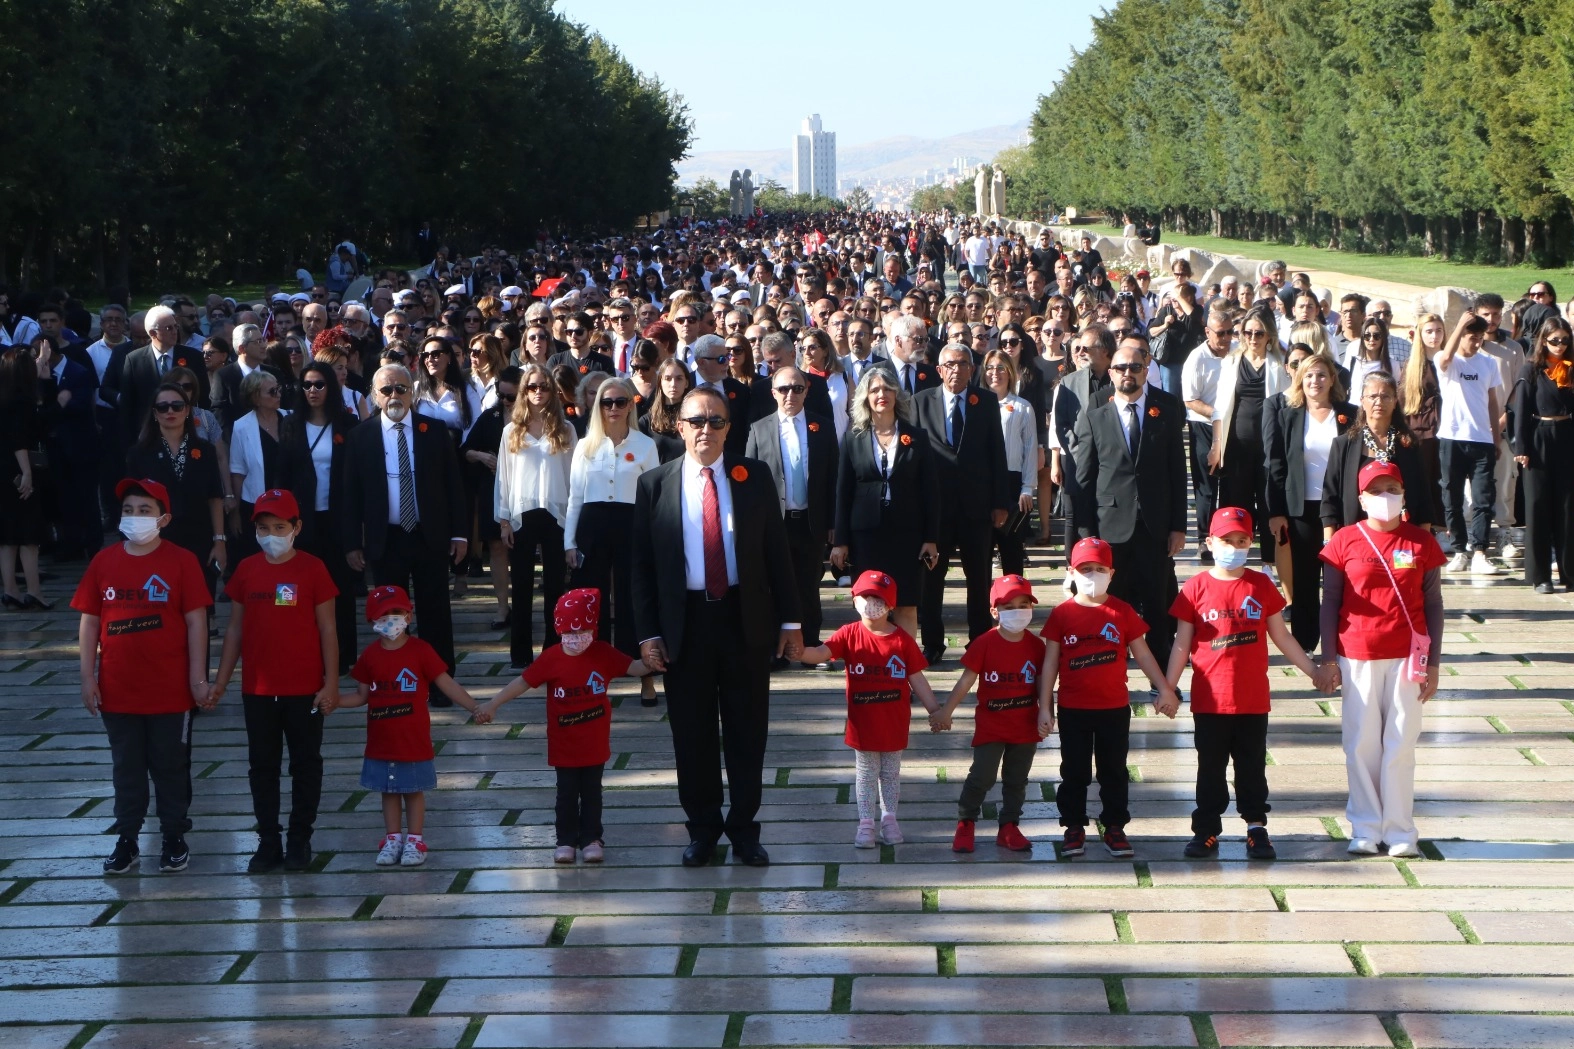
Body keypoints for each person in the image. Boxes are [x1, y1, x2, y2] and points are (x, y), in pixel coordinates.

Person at [629, 387, 803, 868]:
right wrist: (647, 634)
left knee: (749, 732)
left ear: (730, 428)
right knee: (692, 734)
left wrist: (791, 621)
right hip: (684, 625)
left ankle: (745, 830)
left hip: (745, 620)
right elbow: (640, 567)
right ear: (678, 425)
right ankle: (702, 829)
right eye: (697, 420)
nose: (707, 429)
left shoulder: (754, 477)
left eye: (717, 421)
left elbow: (776, 553)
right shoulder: (654, 484)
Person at [1167, 507, 1323, 861]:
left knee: (1252, 767)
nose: (1233, 547)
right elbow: (1181, 643)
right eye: (1226, 540)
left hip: (1252, 700)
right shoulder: (1195, 588)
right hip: (1210, 701)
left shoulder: (1260, 585)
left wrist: (1312, 670)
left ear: (1251, 543)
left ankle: (1256, 827)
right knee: (1210, 768)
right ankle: (1206, 829)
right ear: (1210, 542)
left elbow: (1282, 636)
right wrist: (1168, 687)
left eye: (1241, 540)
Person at [73, 478, 213, 875]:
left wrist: (198, 679)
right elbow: (89, 622)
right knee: (126, 768)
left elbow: (196, 621)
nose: (136, 517)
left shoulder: (181, 561)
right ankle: (128, 838)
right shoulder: (104, 561)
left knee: (171, 766)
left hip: (170, 693)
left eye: (145, 510)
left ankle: (173, 836)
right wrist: (87, 676)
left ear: (163, 518)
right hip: (118, 692)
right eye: (129, 510)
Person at [1319, 462, 1446, 858]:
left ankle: (1400, 830)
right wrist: (1327, 659)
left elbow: (1434, 604)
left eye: (1392, 488)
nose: (1385, 496)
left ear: (1404, 494)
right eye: (1376, 490)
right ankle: (1365, 826)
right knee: (1360, 744)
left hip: (1409, 658)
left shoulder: (1421, 543)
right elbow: (1330, 603)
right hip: (1356, 654)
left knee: (1401, 742)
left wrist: (1436, 664)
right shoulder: (1344, 541)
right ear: (1361, 498)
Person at [210, 488, 338, 872]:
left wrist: (330, 683)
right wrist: (220, 682)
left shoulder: (313, 568)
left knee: (305, 764)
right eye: (264, 527)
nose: (271, 534)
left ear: (296, 527)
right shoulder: (247, 569)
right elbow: (234, 630)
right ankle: (268, 840)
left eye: (279, 526)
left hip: (304, 689)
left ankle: (300, 839)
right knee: (262, 766)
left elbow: (327, 629)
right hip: (259, 690)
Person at [480, 588, 654, 864]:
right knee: (567, 793)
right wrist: (493, 703)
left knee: (593, 792)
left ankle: (592, 838)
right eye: (570, 633)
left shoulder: (602, 653)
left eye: (583, 630)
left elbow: (632, 668)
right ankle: (565, 840)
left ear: (593, 628)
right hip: (564, 745)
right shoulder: (551, 658)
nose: (576, 638)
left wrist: (651, 662)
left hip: (595, 743)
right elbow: (522, 682)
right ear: (559, 629)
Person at [1038, 537, 1180, 858]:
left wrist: (1164, 687)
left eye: (1099, 569)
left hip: (1114, 709)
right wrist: (1044, 707)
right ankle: (1074, 826)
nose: (1092, 575)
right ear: (1071, 572)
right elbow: (1049, 664)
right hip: (1073, 709)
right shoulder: (1062, 615)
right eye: (1085, 568)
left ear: (1111, 573)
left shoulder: (1122, 612)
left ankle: (1114, 826)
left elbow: (1142, 654)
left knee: (1114, 770)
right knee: (1074, 771)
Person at [338, 365, 468, 705]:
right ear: (374, 395)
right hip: (386, 539)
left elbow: (454, 487)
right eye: (386, 390)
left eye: (401, 388)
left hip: (430, 536)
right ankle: (398, 682)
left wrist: (460, 534)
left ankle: (440, 685)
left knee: (435, 611)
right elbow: (348, 496)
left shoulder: (435, 431)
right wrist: (352, 543)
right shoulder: (360, 436)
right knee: (391, 616)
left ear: (412, 392)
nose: (394, 396)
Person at [334, 584, 486, 867]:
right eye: (383, 614)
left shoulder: (421, 651)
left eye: (397, 612)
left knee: (414, 791)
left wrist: (474, 707)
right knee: (389, 792)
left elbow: (445, 682)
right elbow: (361, 696)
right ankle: (392, 838)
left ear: (409, 615)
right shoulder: (369, 656)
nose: (391, 619)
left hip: (413, 740)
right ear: (372, 621)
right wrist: (333, 701)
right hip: (381, 742)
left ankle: (415, 839)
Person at [798, 570, 940, 848]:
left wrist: (935, 709)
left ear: (890, 605)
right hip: (862, 724)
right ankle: (865, 823)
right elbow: (820, 653)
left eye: (878, 598)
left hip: (894, 723)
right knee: (865, 773)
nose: (870, 603)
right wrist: (799, 650)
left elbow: (917, 679)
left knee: (890, 773)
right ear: (854, 600)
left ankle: (889, 819)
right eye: (865, 596)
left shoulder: (902, 640)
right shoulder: (848, 634)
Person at [1071, 337, 1188, 670]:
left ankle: (1162, 678)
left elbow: (1177, 474)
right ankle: (1111, 669)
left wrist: (1178, 526)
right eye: (1121, 368)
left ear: (1146, 369)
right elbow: (1083, 481)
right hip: (1110, 528)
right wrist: (1086, 535)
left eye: (1135, 367)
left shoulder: (1164, 414)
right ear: (1111, 372)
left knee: (1157, 604)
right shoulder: (1095, 417)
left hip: (1154, 526)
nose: (1127, 374)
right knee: (1112, 604)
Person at [932, 574, 1048, 854]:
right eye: (1008, 607)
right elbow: (965, 681)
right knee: (982, 775)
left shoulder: (1036, 646)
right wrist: (945, 711)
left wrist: (1047, 713)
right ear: (994, 612)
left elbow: (1045, 685)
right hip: (991, 726)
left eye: (1023, 605)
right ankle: (966, 822)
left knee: (1017, 779)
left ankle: (1009, 826)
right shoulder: (984, 643)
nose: (1017, 612)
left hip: (1025, 726)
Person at [913, 345, 1012, 661]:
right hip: (934, 508)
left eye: (963, 364)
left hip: (975, 507)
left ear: (972, 369)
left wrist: (1000, 502)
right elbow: (913, 457)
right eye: (950, 364)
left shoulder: (984, 402)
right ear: (939, 370)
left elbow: (997, 452)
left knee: (979, 576)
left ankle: (979, 641)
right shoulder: (919, 402)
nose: (957, 369)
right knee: (931, 579)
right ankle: (932, 643)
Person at [829, 367, 941, 639]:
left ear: (896, 394)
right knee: (870, 604)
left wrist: (931, 538)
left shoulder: (917, 437)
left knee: (905, 604)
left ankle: (906, 670)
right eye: (875, 390)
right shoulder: (853, 438)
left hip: (908, 535)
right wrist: (840, 541)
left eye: (888, 389)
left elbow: (930, 491)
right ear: (866, 397)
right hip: (865, 536)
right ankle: (872, 667)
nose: (882, 395)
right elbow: (842, 491)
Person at [565, 377, 660, 692]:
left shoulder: (645, 445)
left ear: (631, 404)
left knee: (633, 598)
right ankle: (596, 672)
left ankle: (644, 673)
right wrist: (569, 541)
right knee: (593, 598)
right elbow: (575, 497)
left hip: (631, 522)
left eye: (621, 401)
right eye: (607, 402)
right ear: (597, 407)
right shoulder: (585, 445)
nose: (614, 408)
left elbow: (653, 498)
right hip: (592, 524)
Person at [745, 365, 838, 662]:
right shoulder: (759, 429)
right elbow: (749, 482)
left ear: (807, 390)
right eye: (784, 389)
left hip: (811, 522)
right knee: (772, 584)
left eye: (797, 388)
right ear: (773, 393)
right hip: (774, 524)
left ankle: (809, 646)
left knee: (809, 585)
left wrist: (834, 523)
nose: (790, 395)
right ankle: (775, 648)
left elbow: (833, 477)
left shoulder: (822, 426)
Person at [1264, 354, 1357, 652]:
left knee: (1342, 579)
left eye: (1320, 375)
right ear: (1299, 381)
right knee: (1304, 580)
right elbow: (1276, 464)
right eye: (1308, 376)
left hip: (1341, 510)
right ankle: (1305, 643)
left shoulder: (1350, 414)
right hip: (1301, 509)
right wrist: (1276, 511)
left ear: (1332, 379)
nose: (1314, 382)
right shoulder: (1288, 415)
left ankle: (1344, 641)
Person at [277, 361, 359, 670]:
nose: (312, 390)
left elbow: (355, 478)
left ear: (331, 388)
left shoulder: (347, 425)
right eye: (307, 385)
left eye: (319, 384)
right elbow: (281, 476)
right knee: (297, 588)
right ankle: (303, 652)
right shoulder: (291, 425)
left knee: (340, 587)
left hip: (337, 518)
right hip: (301, 520)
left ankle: (344, 656)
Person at [496, 362, 576, 668]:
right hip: (523, 513)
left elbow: (573, 478)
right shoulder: (511, 431)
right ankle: (520, 654)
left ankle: (553, 651)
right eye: (532, 387)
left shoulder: (566, 428)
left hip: (557, 513)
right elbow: (503, 478)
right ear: (523, 391)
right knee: (523, 587)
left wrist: (573, 522)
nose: (538, 392)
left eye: (543, 387)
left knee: (556, 586)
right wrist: (504, 519)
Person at [125, 380, 227, 601]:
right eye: (163, 407)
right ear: (154, 413)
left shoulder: (205, 450)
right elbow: (131, 503)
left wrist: (219, 541)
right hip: (157, 537)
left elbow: (214, 496)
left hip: (199, 537)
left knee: (199, 604)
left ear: (187, 410)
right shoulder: (139, 453)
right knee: (161, 605)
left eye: (177, 406)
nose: (170, 411)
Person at [1210, 308, 1291, 562]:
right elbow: (1220, 408)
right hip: (1236, 447)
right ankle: (1236, 559)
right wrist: (1216, 445)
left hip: (1269, 446)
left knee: (1269, 503)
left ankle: (1269, 562)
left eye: (1259, 333)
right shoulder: (1231, 361)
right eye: (1247, 332)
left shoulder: (1279, 363)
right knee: (1237, 504)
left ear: (1269, 335)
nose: (1253, 338)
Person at [1435, 314, 1504, 574]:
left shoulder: (1488, 363)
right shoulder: (1448, 361)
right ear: (1461, 335)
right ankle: (1459, 548)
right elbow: (1443, 359)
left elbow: (1493, 400)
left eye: (1479, 338)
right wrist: (1459, 325)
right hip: (1452, 437)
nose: (1476, 343)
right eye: (1471, 337)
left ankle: (1480, 551)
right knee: (1451, 497)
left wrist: (1496, 437)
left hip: (1481, 440)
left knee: (1483, 498)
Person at [1509, 318, 1574, 592]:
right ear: (1543, 341)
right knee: (1537, 505)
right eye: (1554, 341)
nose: (1559, 346)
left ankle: (1569, 573)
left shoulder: (1570, 370)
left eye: (1564, 340)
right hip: (1539, 436)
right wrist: (1520, 448)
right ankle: (1540, 576)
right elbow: (1520, 410)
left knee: (1568, 507)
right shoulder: (1532, 369)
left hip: (1567, 434)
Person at [460, 367, 517, 627]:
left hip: (525, 491)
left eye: (511, 397)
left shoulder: (534, 419)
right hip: (492, 488)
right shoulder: (490, 416)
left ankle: (523, 604)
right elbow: (466, 450)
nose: (505, 401)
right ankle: (502, 607)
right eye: (501, 395)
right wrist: (483, 456)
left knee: (523, 548)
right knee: (496, 545)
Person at [1182, 310, 1235, 556]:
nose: (1225, 338)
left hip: (1231, 425)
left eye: (1229, 332)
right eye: (1220, 333)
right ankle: (1204, 536)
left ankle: (1227, 531)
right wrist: (1217, 414)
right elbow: (1191, 399)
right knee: (1206, 483)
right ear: (1207, 332)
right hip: (1203, 425)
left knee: (1230, 482)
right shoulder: (1196, 359)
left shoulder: (1237, 353)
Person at [0, 348, 47, 608]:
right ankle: (34, 590)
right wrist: (27, 472)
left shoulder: (4, 398)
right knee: (29, 536)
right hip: (19, 469)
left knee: (7, 537)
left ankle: (10, 589)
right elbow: (19, 440)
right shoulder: (22, 401)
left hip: (2, 470)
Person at [638, 357, 692, 463]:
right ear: (660, 382)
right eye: (667, 378)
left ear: (686, 383)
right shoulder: (646, 421)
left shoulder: (694, 418)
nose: (673, 384)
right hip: (658, 477)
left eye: (679, 378)